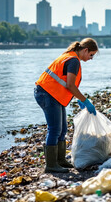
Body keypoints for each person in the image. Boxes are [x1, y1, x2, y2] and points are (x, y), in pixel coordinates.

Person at [34, 38, 98, 173]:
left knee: (63, 129)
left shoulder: (70, 57)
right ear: (85, 50)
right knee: (55, 129)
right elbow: (70, 84)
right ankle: (51, 165)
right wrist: (85, 100)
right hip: (47, 94)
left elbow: (64, 83)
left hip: (52, 94)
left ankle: (61, 161)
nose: (91, 58)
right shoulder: (73, 60)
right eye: (91, 54)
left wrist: (78, 98)